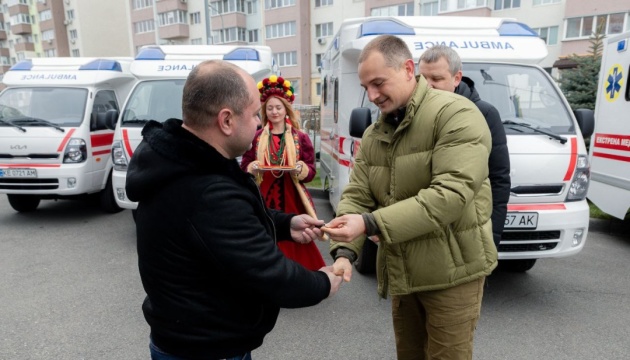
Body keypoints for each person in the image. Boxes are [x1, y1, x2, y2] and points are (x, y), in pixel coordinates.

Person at [125, 60, 342, 360]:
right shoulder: (205, 189)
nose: (258, 122)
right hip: (206, 350)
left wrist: (285, 224)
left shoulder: (184, 160)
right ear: (226, 120)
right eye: (254, 113)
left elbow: (218, 230)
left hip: (193, 339)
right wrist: (324, 282)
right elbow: (270, 273)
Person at [322, 35, 498, 360]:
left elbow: (451, 194)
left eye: (378, 83)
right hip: (404, 273)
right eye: (366, 86)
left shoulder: (456, 114)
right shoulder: (376, 133)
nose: (372, 96)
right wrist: (345, 252)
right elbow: (358, 194)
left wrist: (369, 222)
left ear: (406, 69)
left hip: (452, 275)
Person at [419, 44, 511, 250]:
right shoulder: (412, 113)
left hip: (468, 235)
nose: (428, 86)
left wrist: (492, 238)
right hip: (423, 231)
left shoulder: (484, 114)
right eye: (423, 78)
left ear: (456, 78)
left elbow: (499, 180)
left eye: (436, 79)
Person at [241, 75, 326, 271]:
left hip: (291, 195)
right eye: (270, 108)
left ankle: (299, 274)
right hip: (264, 193)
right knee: (264, 231)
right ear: (264, 111)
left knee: (295, 232)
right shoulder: (256, 138)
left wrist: (301, 169)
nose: (274, 112)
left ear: (286, 109)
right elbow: (244, 166)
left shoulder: (300, 138)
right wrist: (251, 167)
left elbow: (311, 171)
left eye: (278, 107)